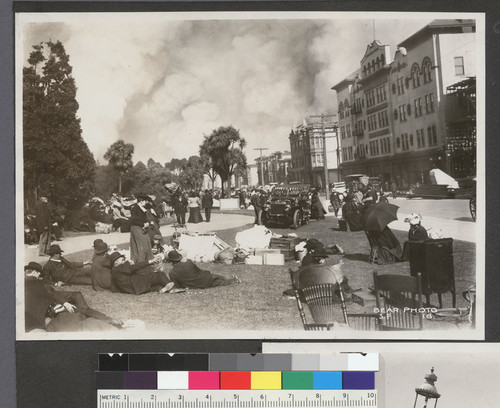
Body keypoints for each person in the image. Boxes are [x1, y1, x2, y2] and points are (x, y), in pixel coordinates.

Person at [24, 262, 120, 332]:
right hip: (49, 310)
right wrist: (64, 303)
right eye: (38, 273)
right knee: (80, 310)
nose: (39, 276)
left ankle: (101, 318)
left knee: (77, 303)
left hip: (37, 316)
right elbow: (50, 294)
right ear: (34, 272)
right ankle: (108, 320)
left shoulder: (22, 283)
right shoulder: (34, 282)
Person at [109, 251, 179, 295]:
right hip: (137, 285)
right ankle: (172, 288)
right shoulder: (119, 267)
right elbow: (134, 268)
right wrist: (149, 262)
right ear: (116, 262)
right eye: (122, 259)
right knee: (159, 275)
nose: (124, 260)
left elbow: (114, 287)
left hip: (134, 289)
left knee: (154, 285)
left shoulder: (114, 271)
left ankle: (161, 289)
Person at [167, 250, 240, 289]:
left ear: (170, 262)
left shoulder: (171, 273)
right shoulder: (189, 263)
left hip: (195, 285)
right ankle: (233, 280)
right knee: (218, 278)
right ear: (180, 258)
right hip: (204, 279)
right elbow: (199, 271)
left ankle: (232, 280)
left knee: (218, 281)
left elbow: (177, 286)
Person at [129, 193, 154, 264]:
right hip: (136, 228)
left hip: (142, 228)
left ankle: (147, 260)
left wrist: (148, 222)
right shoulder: (135, 207)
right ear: (142, 201)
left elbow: (143, 218)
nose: (146, 203)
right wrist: (143, 224)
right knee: (141, 246)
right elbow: (133, 220)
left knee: (146, 244)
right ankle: (141, 262)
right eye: (146, 201)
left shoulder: (141, 208)